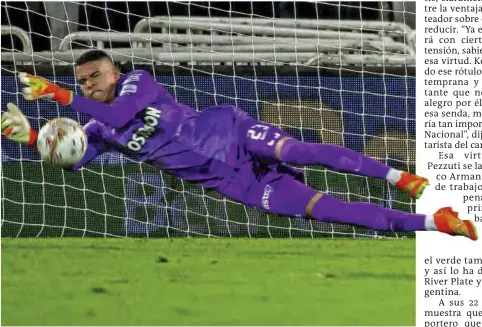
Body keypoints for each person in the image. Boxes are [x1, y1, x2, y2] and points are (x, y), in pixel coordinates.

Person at [1, 49, 478, 241]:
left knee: (299, 150)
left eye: (94, 76)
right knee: (324, 208)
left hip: (229, 131)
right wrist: (29, 139)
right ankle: (436, 223)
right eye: (80, 82)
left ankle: (402, 177)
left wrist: (59, 95)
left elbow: (119, 114)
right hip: (235, 182)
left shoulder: (135, 85)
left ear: (113, 71)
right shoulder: (98, 127)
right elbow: (78, 158)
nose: (88, 85)